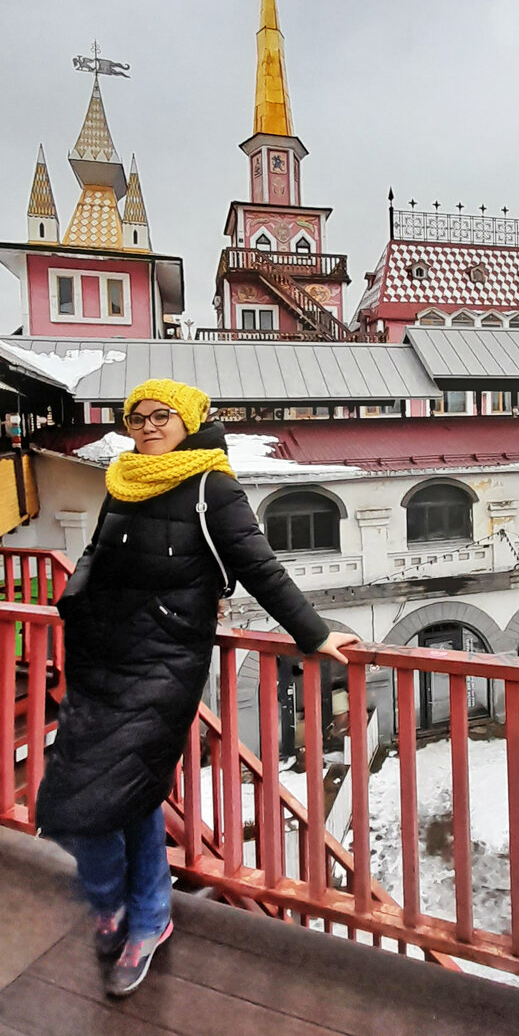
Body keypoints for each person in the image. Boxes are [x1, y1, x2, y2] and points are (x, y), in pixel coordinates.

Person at [35, 378, 358, 998]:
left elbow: (258, 565)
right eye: (137, 416)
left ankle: (135, 913)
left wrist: (313, 633)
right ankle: (134, 913)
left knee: (87, 799)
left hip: (163, 663)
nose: (148, 425)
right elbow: (96, 556)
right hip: (103, 657)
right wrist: (75, 603)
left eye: (163, 415)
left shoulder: (213, 486)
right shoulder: (123, 481)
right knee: (125, 793)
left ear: (190, 421)